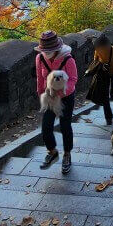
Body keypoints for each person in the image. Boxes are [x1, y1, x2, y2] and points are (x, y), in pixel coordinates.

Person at [35, 30, 78, 173]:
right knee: (46, 127)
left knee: (65, 126)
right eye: (45, 50)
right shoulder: (40, 58)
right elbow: (40, 78)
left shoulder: (68, 59)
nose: (47, 53)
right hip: (49, 97)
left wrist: (62, 91)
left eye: (49, 51)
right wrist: (41, 93)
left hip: (66, 97)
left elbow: (73, 79)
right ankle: (52, 152)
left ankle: (67, 154)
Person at [91, 34, 113, 124]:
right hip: (106, 75)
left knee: (110, 95)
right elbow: (96, 62)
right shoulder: (101, 50)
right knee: (108, 95)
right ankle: (109, 116)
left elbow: (95, 62)